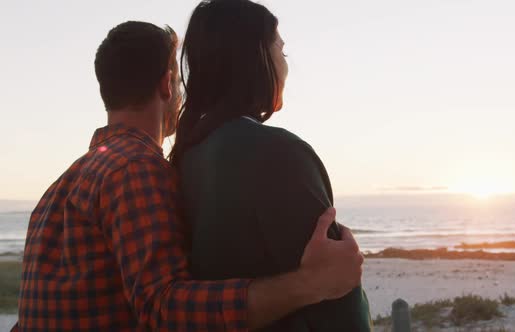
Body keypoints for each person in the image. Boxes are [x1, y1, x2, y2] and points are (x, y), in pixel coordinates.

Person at [15, 21, 364, 331]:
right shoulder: (135, 169)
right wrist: (310, 283)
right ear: (168, 86)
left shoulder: (59, 187)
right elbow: (164, 310)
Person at [169, 1, 372, 331]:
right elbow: (337, 290)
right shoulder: (278, 152)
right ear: (259, 56)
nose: (285, 65)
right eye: (282, 50)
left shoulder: (186, 156)